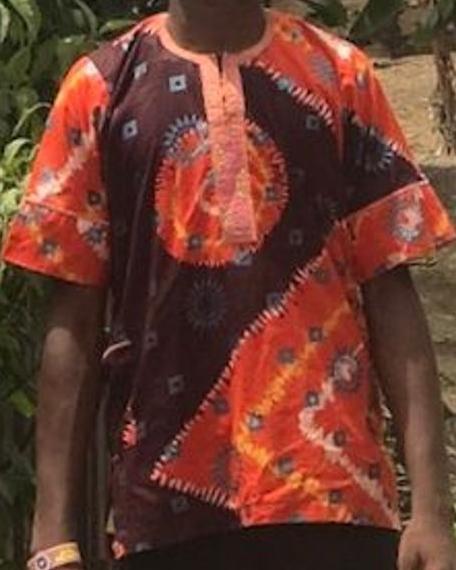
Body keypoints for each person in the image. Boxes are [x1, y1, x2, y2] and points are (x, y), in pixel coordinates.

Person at [3, 1, 456, 569]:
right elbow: (73, 316)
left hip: (334, 495)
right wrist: (52, 536)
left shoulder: (341, 75)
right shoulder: (100, 88)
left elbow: (390, 291)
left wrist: (432, 512)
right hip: (164, 507)